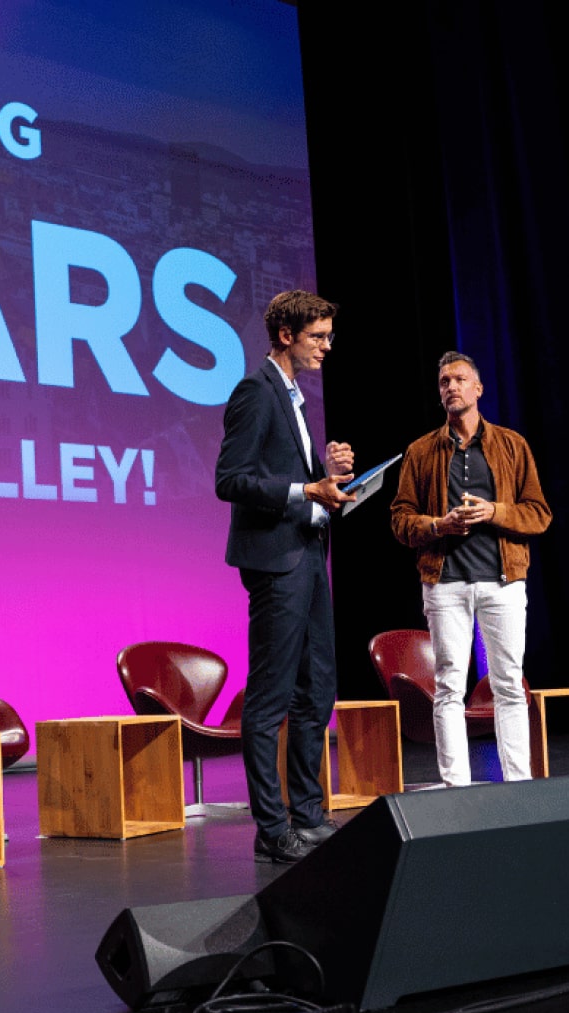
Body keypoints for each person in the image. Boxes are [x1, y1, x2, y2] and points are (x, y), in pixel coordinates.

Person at [215, 290, 356, 863]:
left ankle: (309, 814)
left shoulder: (293, 396)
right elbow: (230, 479)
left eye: (328, 336)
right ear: (285, 335)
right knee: (270, 698)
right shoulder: (256, 391)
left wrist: (329, 474)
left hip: (309, 555)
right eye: (317, 336)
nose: (327, 346)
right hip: (277, 562)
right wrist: (307, 488)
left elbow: (293, 478)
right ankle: (272, 829)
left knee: (317, 690)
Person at [390, 350, 552, 787]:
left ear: (478, 389)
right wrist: (437, 525)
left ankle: (518, 785)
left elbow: (539, 513)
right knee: (448, 687)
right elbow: (400, 519)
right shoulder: (421, 451)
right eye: (444, 381)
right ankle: (455, 788)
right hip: (445, 584)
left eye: (459, 379)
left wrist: (495, 511)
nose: (451, 387)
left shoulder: (512, 445)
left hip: (503, 583)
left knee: (509, 684)